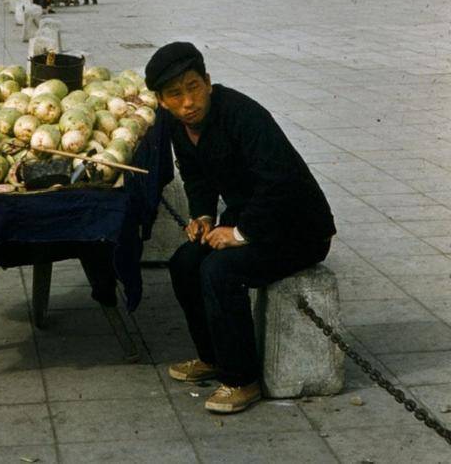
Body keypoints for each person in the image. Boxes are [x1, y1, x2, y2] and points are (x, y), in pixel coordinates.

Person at [144, 42, 336, 415]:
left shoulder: (243, 116)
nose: (188, 102)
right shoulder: (176, 125)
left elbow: (279, 183)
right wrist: (202, 217)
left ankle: (242, 379)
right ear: (162, 101)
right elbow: (195, 175)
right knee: (184, 262)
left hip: (298, 228)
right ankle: (212, 358)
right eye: (175, 94)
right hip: (250, 218)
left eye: (194, 87)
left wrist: (238, 233)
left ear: (209, 82)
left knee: (219, 271)